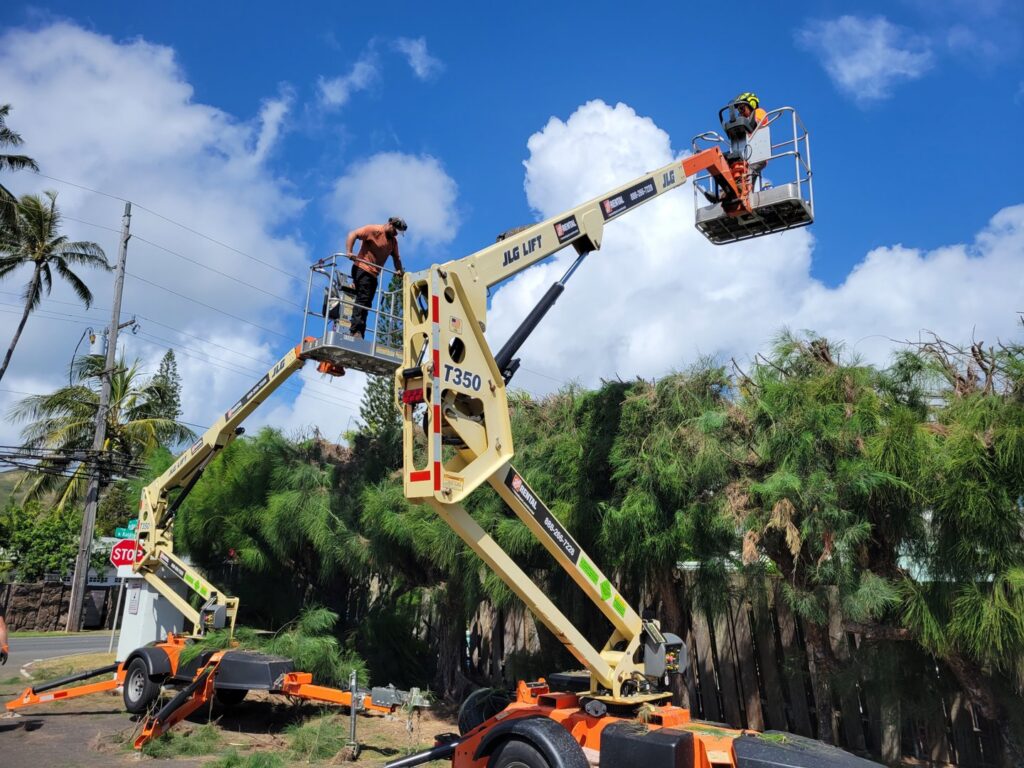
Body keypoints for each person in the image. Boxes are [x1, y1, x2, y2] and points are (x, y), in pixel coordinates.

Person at [344, 216, 407, 340]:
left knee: (366, 302)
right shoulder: (374, 230)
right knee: (363, 300)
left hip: (373, 274)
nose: (396, 234)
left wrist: (400, 271)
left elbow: (396, 258)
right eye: (395, 231)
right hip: (362, 268)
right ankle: (356, 332)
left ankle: (359, 332)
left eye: (398, 233)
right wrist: (349, 251)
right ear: (390, 224)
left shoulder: (393, 242)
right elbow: (353, 234)